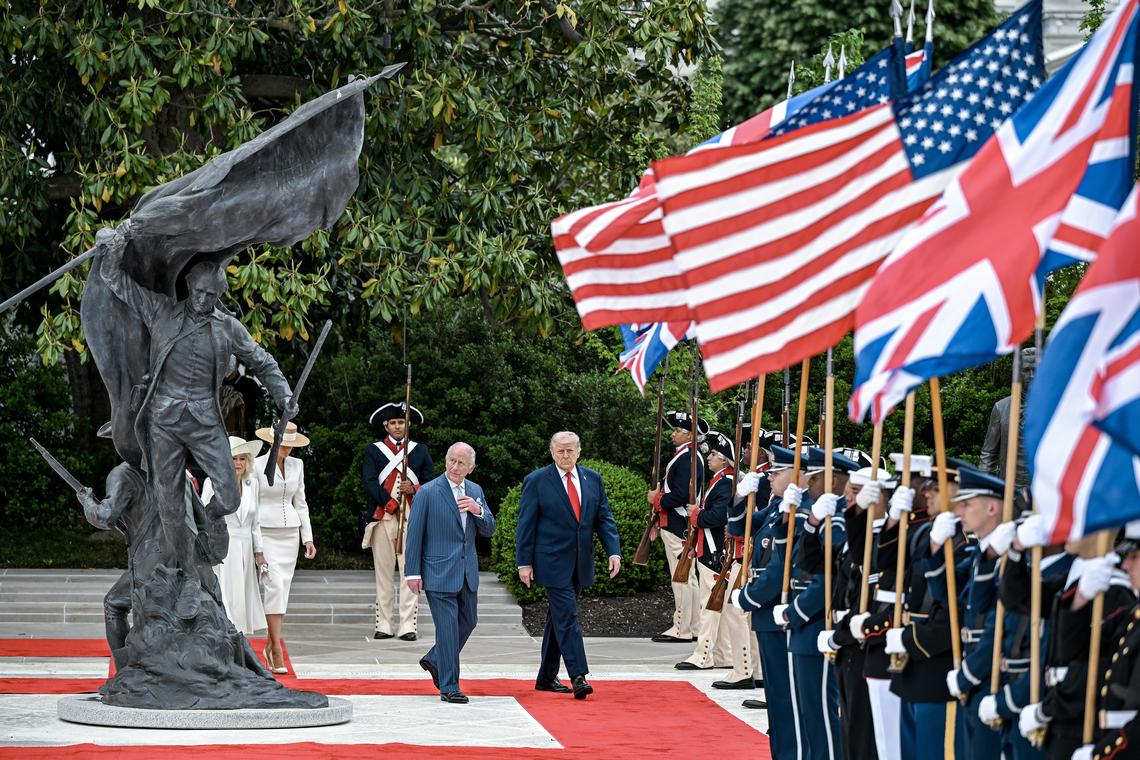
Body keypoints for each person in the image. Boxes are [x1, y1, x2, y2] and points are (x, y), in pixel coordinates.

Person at [97, 240, 296, 619]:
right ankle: (189, 577)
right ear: (189, 286)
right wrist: (109, 248)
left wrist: (283, 394)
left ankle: (204, 517)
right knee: (169, 503)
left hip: (205, 420)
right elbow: (115, 281)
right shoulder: (161, 311)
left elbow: (262, 361)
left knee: (230, 497)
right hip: (164, 421)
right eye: (200, 291)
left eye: (212, 294)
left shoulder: (228, 328)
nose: (205, 299)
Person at [515, 431, 621, 699]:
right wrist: (523, 562)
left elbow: (603, 518)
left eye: (570, 450)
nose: (565, 455)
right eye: (560, 451)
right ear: (552, 453)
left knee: (558, 618)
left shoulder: (592, 479)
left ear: (579, 451)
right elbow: (526, 525)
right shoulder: (537, 481)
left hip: (580, 561)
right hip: (550, 561)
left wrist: (614, 552)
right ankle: (578, 675)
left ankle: (546, 676)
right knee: (568, 616)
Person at [404, 442, 496, 704]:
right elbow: (415, 535)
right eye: (451, 461)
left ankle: (434, 659)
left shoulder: (476, 490)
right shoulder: (428, 492)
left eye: (461, 463)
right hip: (437, 572)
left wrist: (478, 511)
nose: (455, 467)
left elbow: (489, 529)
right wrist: (413, 572)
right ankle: (450, 686)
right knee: (446, 629)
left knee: (469, 622)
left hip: (467, 572)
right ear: (446, 461)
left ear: (471, 467)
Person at [361, 401, 435, 641]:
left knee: (409, 573)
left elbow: (432, 483)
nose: (397, 426)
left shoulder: (419, 450)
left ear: (408, 424)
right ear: (386, 426)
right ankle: (384, 624)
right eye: (392, 422)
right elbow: (370, 482)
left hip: (411, 518)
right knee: (383, 574)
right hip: (383, 518)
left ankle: (407, 625)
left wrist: (413, 488)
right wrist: (390, 504)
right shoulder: (374, 451)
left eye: (401, 422)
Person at [254, 421, 316, 675]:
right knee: (274, 586)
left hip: (289, 533)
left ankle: (271, 642)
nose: (287, 450)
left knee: (283, 590)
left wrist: (307, 538)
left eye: (291, 446)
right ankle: (276, 647)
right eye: (283, 444)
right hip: (265, 533)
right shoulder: (256, 465)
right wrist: (257, 545)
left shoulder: (297, 465)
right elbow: (252, 506)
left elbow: (300, 502)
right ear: (272, 441)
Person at [677, 430, 736, 672]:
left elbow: (717, 517)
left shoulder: (725, 483)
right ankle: (723, 654)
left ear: (724, 460)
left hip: (715, 551)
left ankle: (703, 655)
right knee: (715, 603)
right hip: (708, 548)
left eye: (713, 454)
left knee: (708, 606)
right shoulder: (721, 481)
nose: (708, 457)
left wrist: (695, 514)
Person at [648, 409, 708, 643]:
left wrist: (657, 500)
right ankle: (691, 626)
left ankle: (681, 628)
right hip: (680, 522)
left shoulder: (688, 458)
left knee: (680, 576)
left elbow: (682, 494)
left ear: (690, 436)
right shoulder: (687, 456)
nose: (673, 434)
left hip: (677, 522)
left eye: (678, 431)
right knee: (687, 577)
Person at [204, 436, 268, 635]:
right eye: (234, 458)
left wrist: (259, 551)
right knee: (226, 594)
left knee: (242, 597)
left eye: (242, 459)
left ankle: (238, 639)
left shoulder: (252, 484)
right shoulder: (213, 482)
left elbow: (255, 521)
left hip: (246, 548)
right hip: (223, 547)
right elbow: (203, 514)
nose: (238, 463)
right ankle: (223, 635)